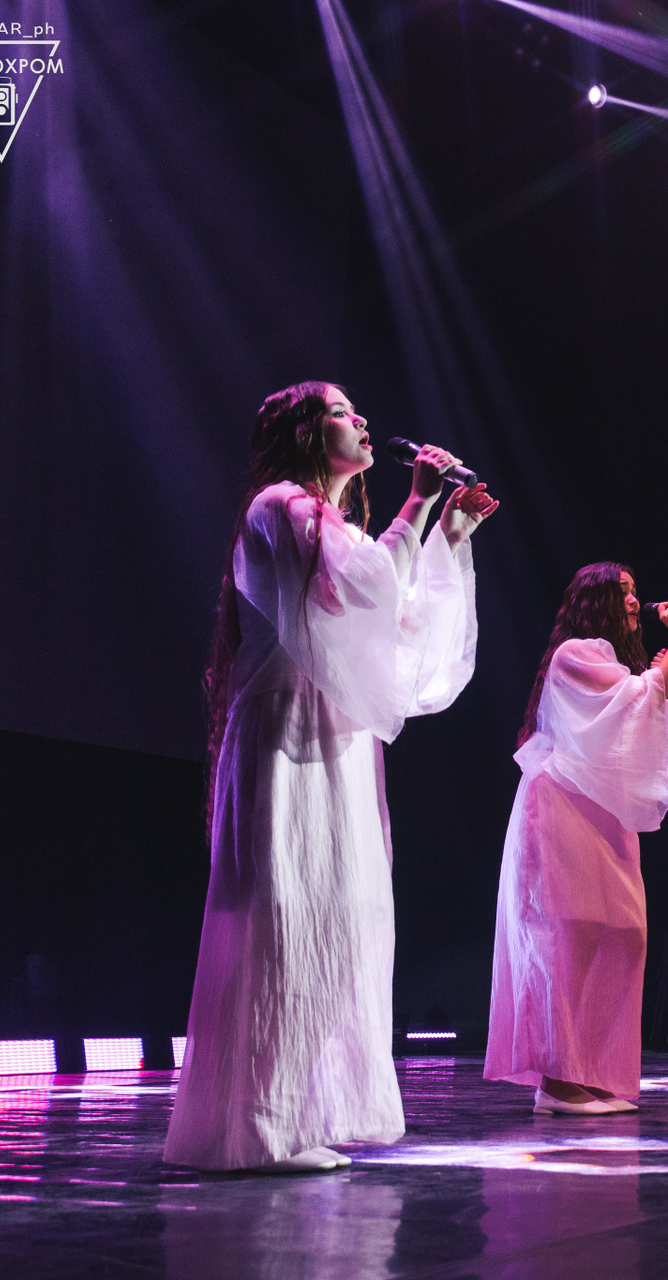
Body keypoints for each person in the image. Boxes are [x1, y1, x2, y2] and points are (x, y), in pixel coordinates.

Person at [166, 382, 496, 1173]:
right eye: (343, 413)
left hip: (336, 737)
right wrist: (417, 505)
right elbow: (357, 590)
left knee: (339, 920)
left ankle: (295, 1115)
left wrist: (445, 533)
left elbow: (395, 622)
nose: (363, 420)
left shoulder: (334, 526)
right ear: (306, 434)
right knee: (287, 914)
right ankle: (260, 1128)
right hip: (288, 732)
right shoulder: (280, 505)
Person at [487, 563, 668, 1115]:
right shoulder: (574, 653)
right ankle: (557, 1084)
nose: (634, 601)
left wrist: (665, 657)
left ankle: (591, 1072)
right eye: (621, 592)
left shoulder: (607, 661)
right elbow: (640, 699)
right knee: (567, 934)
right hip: (561, 806)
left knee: (623, 930)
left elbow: (641, 708)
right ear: (595, 601)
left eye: (634, 591)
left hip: (601, 810)